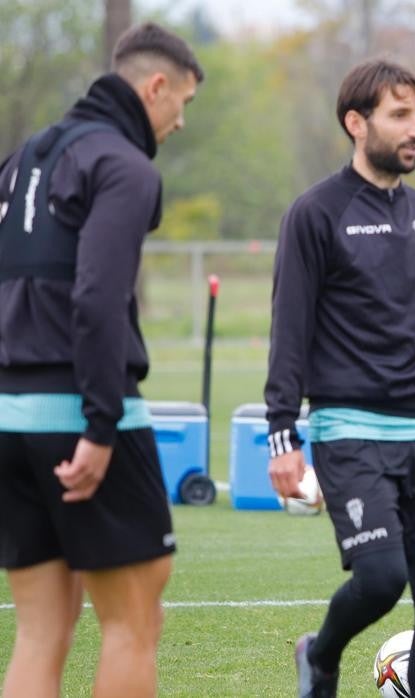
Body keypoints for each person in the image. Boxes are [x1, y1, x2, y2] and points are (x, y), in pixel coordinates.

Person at [0, 22, 202, 698]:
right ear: (156, 86)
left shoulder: (22, 158)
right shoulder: (124, 164)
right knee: (133, 624)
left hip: (8, 420)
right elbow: (97, 298)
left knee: (39, 634)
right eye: (184, 102)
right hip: (81, 418)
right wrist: (99, 424)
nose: (179, 122)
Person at [265, 59, 415, 698]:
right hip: (350, 430)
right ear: (356, 123)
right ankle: (321, 655)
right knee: (383, 578)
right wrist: (281, 434)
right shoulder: (315, 214)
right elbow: (289, 331)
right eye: (400, 115)